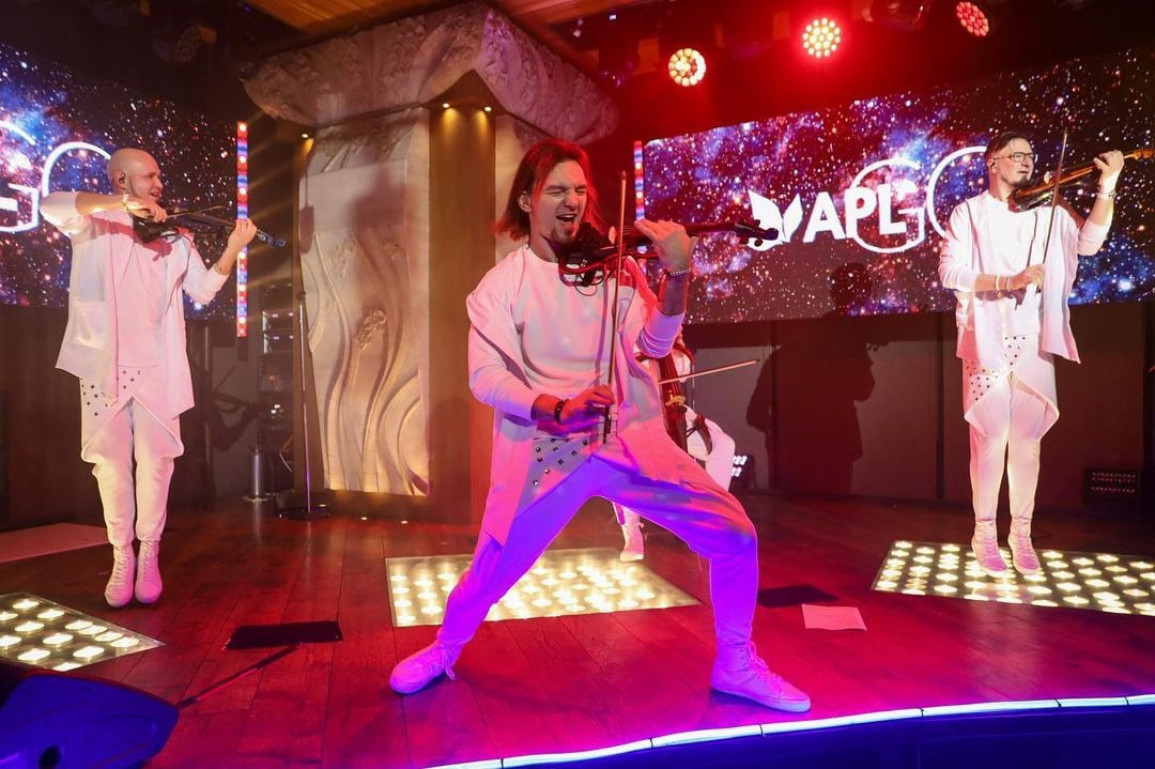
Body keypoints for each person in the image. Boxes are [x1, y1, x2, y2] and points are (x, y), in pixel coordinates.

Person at [389, 138, 810, 713]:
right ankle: (444, 649)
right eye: (557, 190)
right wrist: (557, 408)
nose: (573, 201)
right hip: (548, 451)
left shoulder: (617, 268)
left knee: (735, 535)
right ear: (526, 201)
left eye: (581, 190)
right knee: (491, 570)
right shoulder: (500, 287)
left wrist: (678, 275)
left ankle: (736, 663)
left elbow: (654, 343)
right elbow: (486, 378)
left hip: (626, 441)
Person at [41, 148, 257, 607]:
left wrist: (233, 249)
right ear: (122, 179)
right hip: (106, 365)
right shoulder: (95, 222)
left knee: (157, 463)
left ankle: (150, 551)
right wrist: (120, 205)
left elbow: (202, 291)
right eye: (150, 176)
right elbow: (51, 204)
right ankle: (121, 555)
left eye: (159, 176)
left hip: (159, 367)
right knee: (111, 465)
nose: (159, 184)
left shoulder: (176, 236)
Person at [938, 131, 1123, 578]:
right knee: (990, 439)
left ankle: (1021, 533)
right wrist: (1009, 281)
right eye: (1016, 155)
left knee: (1026, 442)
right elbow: (950, 272)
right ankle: (984, 532)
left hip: (1033, 337)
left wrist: (1108, 185)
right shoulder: (969, 213)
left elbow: (1089, 242)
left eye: (1030, 156)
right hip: (986, 337)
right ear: (992, 162)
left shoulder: (1050, 210)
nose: (1026, 162)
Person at [613, 335, 737, 562]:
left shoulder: (673, 343)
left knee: (723, 445)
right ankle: (632, 531)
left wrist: (672, 347)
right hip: (638, 417)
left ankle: (711, 518)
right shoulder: (628, 334)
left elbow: (683, 369)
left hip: (673, 415)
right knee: (622, 463)